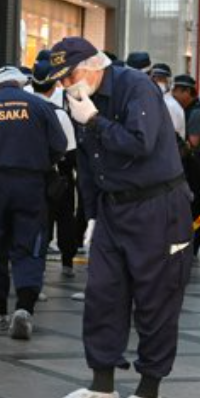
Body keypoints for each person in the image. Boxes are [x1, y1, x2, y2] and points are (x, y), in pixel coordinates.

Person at [48, 37, 193, 398]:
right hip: (113, 208)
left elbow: (139, 144)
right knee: (103, 295)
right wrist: (94, 215)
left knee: (156, 299)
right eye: (61, 80)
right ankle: (102, 387)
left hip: (158, 206)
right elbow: (87, 160)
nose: (67, 85)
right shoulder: (79, 100)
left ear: (95, 64)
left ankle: (148, 389)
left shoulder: (136, 86)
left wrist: (94, 120)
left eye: (71, 75)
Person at [0, 66, 67, 340]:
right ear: (23, 84)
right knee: (29, 245)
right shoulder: (40, 106)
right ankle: (25, 308)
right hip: (32, 183)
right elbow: (60, 144)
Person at [31, 58, 79, 278]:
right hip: (57, 176)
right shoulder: (59, 114)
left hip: (29, 176)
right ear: (54, 85)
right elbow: (70, 152)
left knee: (38, 224)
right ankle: (67, 261)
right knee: (65, 219)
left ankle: (34, 266)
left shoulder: (24, 109)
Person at [172, 74, 200, 257]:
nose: (173, 94)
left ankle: (190, 245)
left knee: (194, 207)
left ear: (187, 91)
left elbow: (193, 141)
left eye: (177, 90)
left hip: (196, 168)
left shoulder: (195, 112)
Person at [150, 64, 186, 142]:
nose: (157, 82)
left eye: (161, 79)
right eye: (155, 78)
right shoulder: (150, 100)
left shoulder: (173, 106)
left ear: (168, 81)